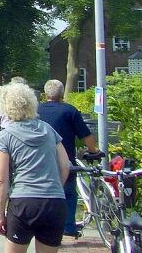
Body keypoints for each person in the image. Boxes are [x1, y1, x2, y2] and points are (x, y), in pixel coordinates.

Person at [0, 83, 71, 253]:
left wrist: (1, 215)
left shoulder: (5, 136)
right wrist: (55, 187)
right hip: (54, 202)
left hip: (24, 202)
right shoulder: (49, 130)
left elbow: (1, 178)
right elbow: (65, 165)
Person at [38, 79, 102, 238]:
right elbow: (86, 136)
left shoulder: (36, 110)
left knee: (42, 192)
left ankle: (43, 225)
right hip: (64, 159)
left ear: (46, 93)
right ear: (62, 93)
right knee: (68, 193)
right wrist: (94, 151)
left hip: (40, 160)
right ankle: (68, 226)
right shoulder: (70, 111)